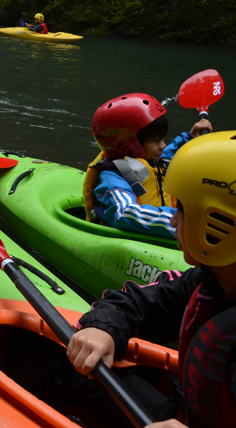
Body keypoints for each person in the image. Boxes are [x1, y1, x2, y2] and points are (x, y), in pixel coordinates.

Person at [67, 131, 236, 428]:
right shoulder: (209, 281)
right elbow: (138, 301)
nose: (171, 220)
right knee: (85, 374)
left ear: (217, 224)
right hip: (186, 412)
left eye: (180, 210)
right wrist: (102, 329)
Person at [83, 93, 212, 238]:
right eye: (156, 141)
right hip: (136, 240)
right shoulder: (111, 179)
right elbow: (124, 213)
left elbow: (168, 154)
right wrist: (179, 220)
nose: (163, 145)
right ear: (129, 144)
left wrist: (189, 137)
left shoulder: (152, 158)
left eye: (162, 139)